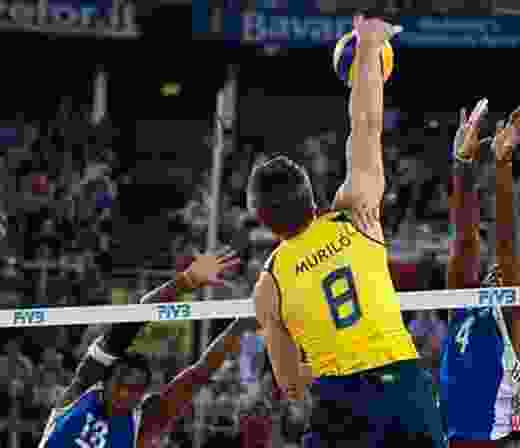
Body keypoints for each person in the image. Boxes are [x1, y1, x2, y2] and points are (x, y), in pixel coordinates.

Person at [250, 13, 443, 448]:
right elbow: (366, 125)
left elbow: (292, 385)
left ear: (264, 222)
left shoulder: (269, 285)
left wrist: (323, 361)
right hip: (402, 386)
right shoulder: (355, 214)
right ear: (312, 199)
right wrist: (370, 49)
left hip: (340, 403)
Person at [38, 248, 253, 448]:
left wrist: (239, 326)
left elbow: (199, 374)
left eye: (135, 390)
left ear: (142, 394)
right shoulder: (84, 387)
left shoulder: (143, 423)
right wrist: (186, 281)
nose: (126, 394)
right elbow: (139, 315)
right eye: (121, 384)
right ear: (105, 381)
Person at [440, 101, 520, 446]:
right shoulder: (462, 307)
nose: (496, 269)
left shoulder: (515, 328)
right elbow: (465, 240)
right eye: (493, 269)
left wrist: (503, 163)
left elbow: (508, 244)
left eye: (505, 272)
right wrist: (462, 165)